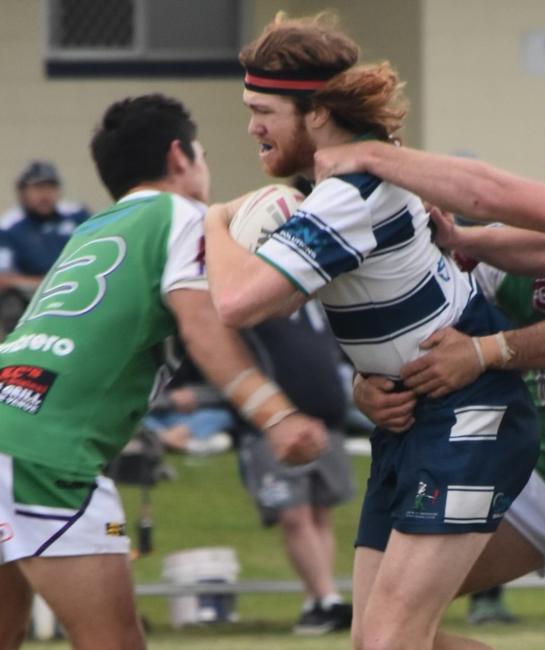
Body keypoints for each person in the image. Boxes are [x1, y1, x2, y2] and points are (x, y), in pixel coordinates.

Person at [204, 13, 539, 650]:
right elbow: (386, 305)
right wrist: (365, 379)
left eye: (262, 109)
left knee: (390, 641)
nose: (252, 127)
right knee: (373, 640)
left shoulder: (351, 195)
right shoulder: (338, 187)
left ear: (318, 113)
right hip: (413, 416)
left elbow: (239, 304)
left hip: (468, 417)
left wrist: (215, 223)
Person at [0, 93, 326, 650]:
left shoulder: (92, 230)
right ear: (180, 157)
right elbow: (203, 328)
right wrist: (276, 415)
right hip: (45, 454)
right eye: (202, 154)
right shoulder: (185, 217)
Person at [313, 117, 545, 650]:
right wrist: (369, 382)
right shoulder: (506, 256)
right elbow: (436, 328)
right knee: (378, 626)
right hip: (544, 487)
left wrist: (372, 156)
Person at [238, 299, 356, 634]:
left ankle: (318, 601)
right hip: (273, 428)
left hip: (325, 423)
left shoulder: (316, 303)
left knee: (320, 512)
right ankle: (327, 598)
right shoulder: (254, 303)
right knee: (294, 514)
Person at [0, 161, 90, 337]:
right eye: (37, 188)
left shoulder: (77, 215)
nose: (44, 195)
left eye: (50, 187)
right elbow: (4, 279)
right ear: (23, 192)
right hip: (33, 298)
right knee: (11, 303)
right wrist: (49, 284)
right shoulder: (9, 227)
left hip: (81, 288)